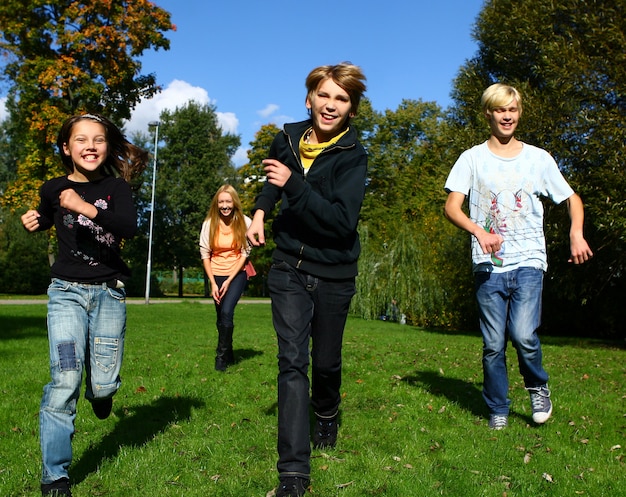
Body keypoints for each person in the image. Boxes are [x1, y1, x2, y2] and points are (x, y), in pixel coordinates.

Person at [247, 62, 367, 497]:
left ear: (351, 108)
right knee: (292, 362)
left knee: (326, 363)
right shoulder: (288, 138)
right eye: (324, 95)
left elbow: (341, 221)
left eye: (341, 98)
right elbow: (272, 183)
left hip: (334, 271)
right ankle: (294, 474)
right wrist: (261, 210)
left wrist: (294, 185)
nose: (330, 105)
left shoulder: (354, 156)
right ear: (309, 98)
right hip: (288, 268)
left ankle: (328, 411)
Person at [443, 83, 593, 430]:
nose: (506, 116)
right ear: (488, 114)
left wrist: (575, 233)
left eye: (512, 109)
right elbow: (452, 207)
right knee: (493, 343)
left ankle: (537, 387)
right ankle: (498, 408)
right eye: (499, 110)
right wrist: (479, 232)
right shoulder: (472, 158)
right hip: (488, 265)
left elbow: (572, 199)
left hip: (528, 260)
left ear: (519, 112)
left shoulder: (538, 159)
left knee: (523, 334)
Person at [21, 113, 148, 496]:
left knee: (105, 385)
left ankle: (102, 392)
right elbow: (49, 214)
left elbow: (127, 227)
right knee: (65, 378)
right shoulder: (53, 187)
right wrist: (36, 220)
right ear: (66, 148)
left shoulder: (116, 187)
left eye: (98, 139)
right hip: (66, 293)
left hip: (109, 292)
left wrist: (84, 206)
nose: (90, 146)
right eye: (80, 140)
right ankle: (55, 477)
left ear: (107, 147)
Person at [199, 184, 252, 371]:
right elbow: (205, 254)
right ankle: (228, 351)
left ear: (234, 202)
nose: (224, 206)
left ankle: (220, 357)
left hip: (236, 273)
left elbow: (245, 253)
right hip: (216, 273)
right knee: (221, 317)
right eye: (221, 202)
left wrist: (230, 279)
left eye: (228, 201)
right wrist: (213, 283)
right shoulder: (209, 224)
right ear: (216, 204)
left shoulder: (245, 222)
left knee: (227, 312)